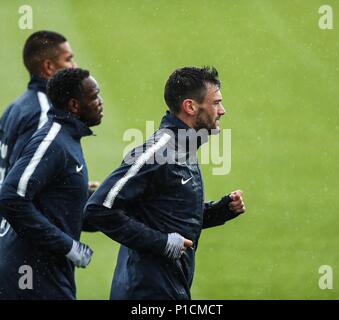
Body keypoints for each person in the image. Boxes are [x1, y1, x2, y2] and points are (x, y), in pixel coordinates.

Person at [83, 66, 246, 300]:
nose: (222, 110)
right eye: (216, 103)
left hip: (167, 289)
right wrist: (162, 243)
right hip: (146, 293)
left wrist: (218, 212)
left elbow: (165, 216)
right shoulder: (156, 153)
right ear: (190, 106)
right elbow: (98, 209)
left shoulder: (184, 148)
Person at [0, 68, 104, 299]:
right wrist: (68, 246)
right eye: (94, 96)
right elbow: (10, 198)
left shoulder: (67, 138)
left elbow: (57, 207)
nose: (100, 102)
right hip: (29, 274)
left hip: (46, 269)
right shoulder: (52, 141)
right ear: (73, 105)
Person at [0, 30, 78, 280]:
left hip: (3, 249)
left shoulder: (15, 107)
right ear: (48, 67)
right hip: (31, 257)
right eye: (68, 59)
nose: (75, 66)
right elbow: (20, 187)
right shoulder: (45, 113)